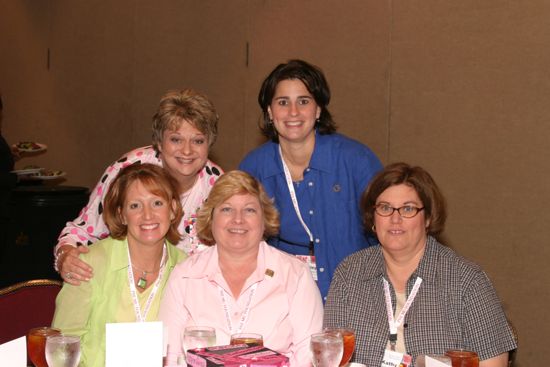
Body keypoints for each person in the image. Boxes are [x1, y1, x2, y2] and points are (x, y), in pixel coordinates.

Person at [323, 162, 517, 367]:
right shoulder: (349, 273)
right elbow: (332, 357)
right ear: (373, 217)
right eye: (385, 208)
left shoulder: (466, 280)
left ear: (427, 219)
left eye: (408, 209)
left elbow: (494, 363)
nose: (395, 219)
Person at [239, 59, 382, 300]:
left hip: (354, 300)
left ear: (318, 110)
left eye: (303, 101)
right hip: (283, 301)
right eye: (283, 102)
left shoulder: (356, 161)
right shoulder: (254, 168)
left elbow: (388, 231)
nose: (293, 112)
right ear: (270, 112)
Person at [55, 88, 223, 285]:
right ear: (159, 142)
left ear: (209, 144)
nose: (187, 150)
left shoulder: (219, 188)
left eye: (198, 140)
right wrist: (66, 256)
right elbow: (80, 231)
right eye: (176, 139)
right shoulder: (128, 170)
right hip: (121, 290)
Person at [159, 170, 323, 367]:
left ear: (265, 219)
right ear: (211, 218)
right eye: (227, 209)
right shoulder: (184, 276)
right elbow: (170, 356)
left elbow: (308, 355)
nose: (238, 219)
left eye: (249, 210)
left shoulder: (295, 275)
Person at [52, 163, 187, 367]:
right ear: (122, 215)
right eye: (135, 206)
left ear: (173, 209)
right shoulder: (90, 264)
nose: (147, 215)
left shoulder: (186, 269)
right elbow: (62, 349)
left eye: (157, 203)